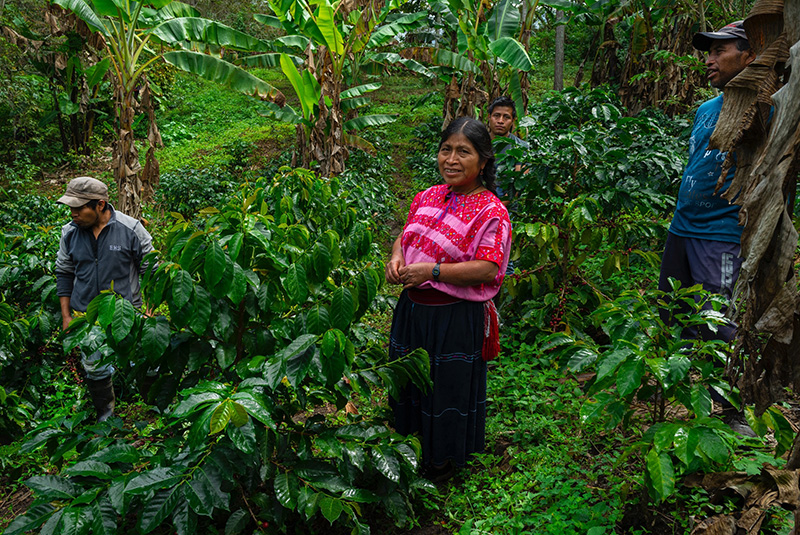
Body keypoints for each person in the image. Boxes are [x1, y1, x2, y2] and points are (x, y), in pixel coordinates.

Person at [385, 117, 512, 480]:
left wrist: (432, 272)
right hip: (413, 312)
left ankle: (443, 463)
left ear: (483, 161)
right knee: (408, 382)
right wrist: (397, 258)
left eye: (463, 152)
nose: (451, 159)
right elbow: (406, 236)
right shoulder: (427, 195)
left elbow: (488, 269)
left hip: (454, 317)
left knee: (447, 390)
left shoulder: (491, 211)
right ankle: (408, 451)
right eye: (446, 150)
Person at [657, 21, 756, 434]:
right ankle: (673, 393)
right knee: (671, 314)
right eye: (708, 51)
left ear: (750, 56)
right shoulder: (705, 109)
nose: (710, 59)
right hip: (682, 228)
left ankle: (730, 411)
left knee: (718, 320)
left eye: (721, 50)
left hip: (721, 233)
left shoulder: (765, 107)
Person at [55, 177, 154, 422]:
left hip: (128, 312)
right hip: (87, 317)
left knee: (144, 363)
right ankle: (105, 417)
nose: (73, 213)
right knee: (94, 368)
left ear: (100, 205)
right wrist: (67, 317)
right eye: (71, 208)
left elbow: (151, 271)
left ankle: (155, 414)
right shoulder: (69, 233)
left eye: (79, 208)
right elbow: (64, 273)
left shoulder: (131, 229)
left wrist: (149, 309)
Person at [487, 96, 528, 204]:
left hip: (507, 208)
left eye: (506, 117)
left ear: (513, 121)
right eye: (496, 116)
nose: (500, 121)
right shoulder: (476, 143)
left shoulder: (521, 147)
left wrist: (497, 208)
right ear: (489, 117)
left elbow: (518, 183)